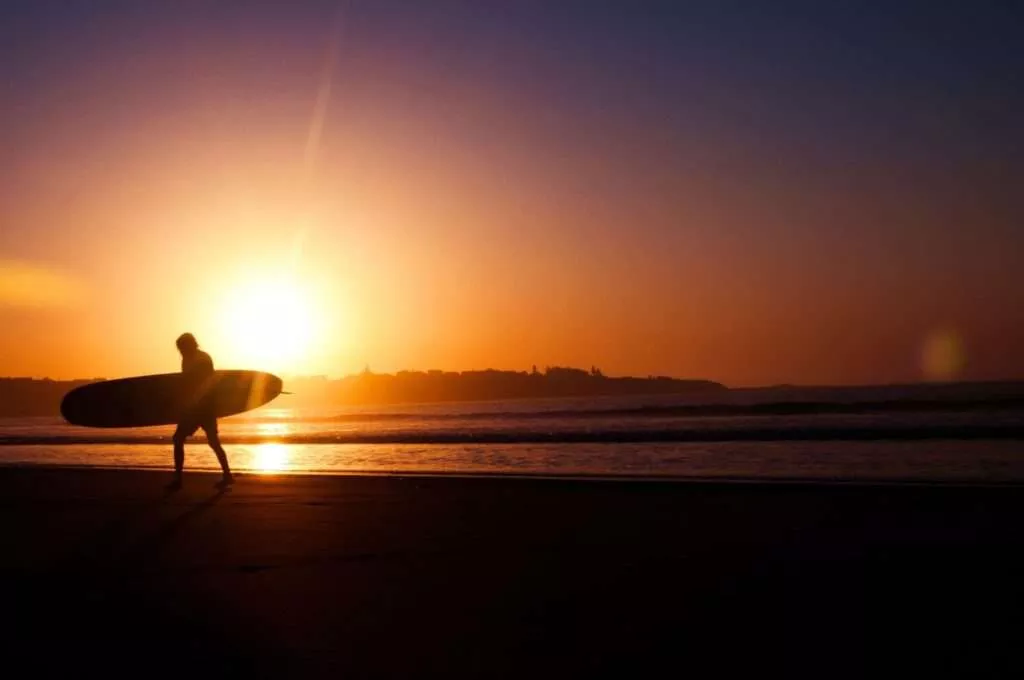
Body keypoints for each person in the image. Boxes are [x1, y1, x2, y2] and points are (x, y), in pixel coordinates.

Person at [168, 333, 234, 490]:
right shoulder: (187, 358)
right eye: (179, 349)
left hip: (203, 408)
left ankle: (178, 480)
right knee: (186, 440)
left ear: (191, 345)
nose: (180, 352)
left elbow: (203, 383)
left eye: (182, 348)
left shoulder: (203, 359)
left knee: (189, 440)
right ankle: (227, 475)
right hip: (197, 408)